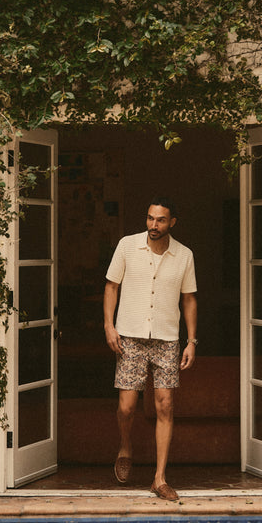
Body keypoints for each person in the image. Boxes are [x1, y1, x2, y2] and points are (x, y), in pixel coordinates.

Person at [103, 196, 197, 501]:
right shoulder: (127, 246)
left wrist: (191, 341)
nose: (153, 225)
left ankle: (159, 478)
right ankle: (126, 445)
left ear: (172, 223)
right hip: (129, 336)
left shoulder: (184, 255)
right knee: (127, 407)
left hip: (167, 339)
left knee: (165, 406)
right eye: (149, 219)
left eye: (160, 220)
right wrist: (108, 325)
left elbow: (189, 299)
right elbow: (111, 286)